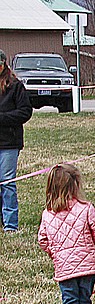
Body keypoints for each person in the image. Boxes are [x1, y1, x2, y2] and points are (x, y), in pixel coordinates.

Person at [36, 163, 95, 304]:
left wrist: (56, 254)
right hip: (88, 266)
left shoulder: (47, 215)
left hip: (65, 269)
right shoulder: (86, 208)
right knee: (84, 299)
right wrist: (94, 250)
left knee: (70, 303)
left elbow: (43, 240)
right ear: (75, 185)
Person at [0, 49, 34, 233]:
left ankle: (10, 224)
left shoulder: (15, 86)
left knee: (7, 182)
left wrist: (2, 118)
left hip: (9, 143)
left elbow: (25, 112)